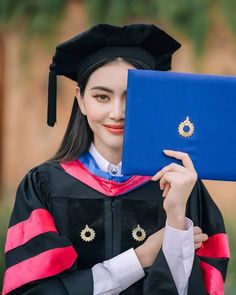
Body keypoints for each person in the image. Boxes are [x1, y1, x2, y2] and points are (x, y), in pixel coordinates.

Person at [2, 24, 229, 295]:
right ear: (82, 101)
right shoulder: (43, 187)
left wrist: (176, 220)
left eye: (131, 98)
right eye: (101, 97)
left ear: (153, 102)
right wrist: (140, 258)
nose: (117, 112)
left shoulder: (183, 185)